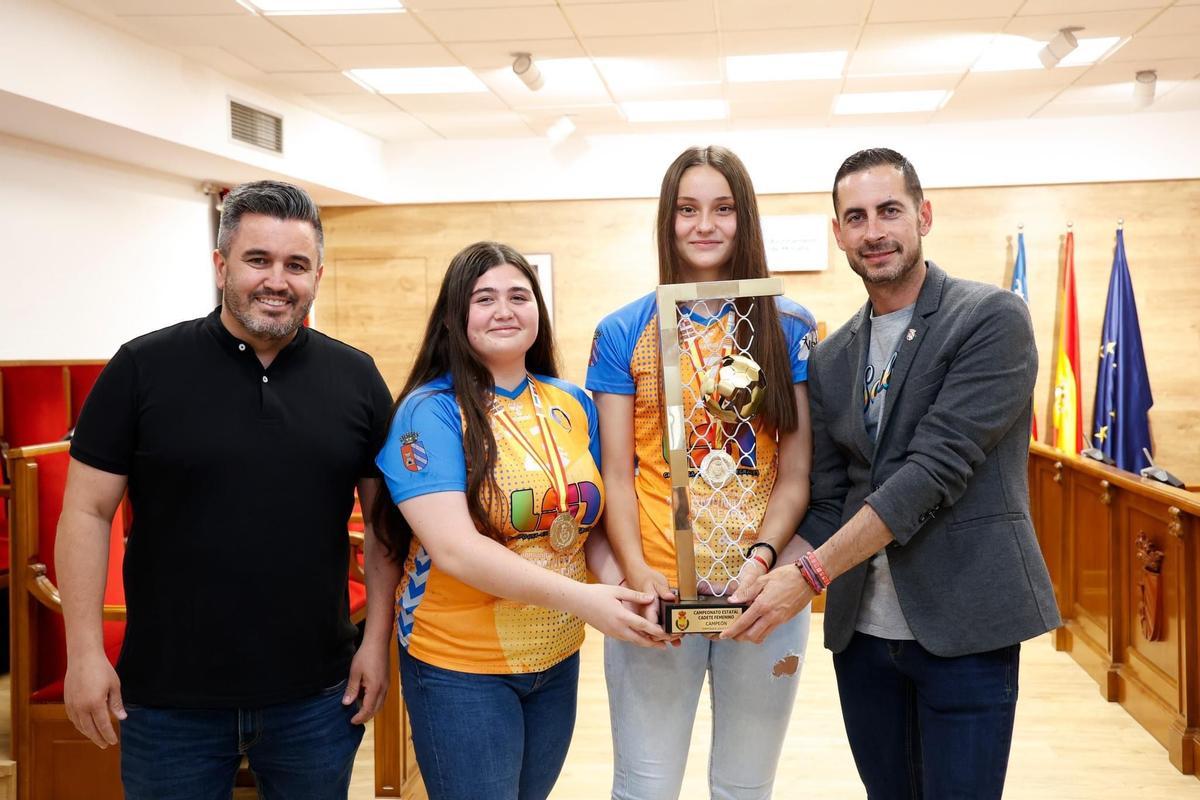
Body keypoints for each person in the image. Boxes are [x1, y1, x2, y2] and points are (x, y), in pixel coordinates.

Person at [724, 148, 1061, 799]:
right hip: (864, 640)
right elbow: (829, 500)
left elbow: (934, 471)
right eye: (856, 217)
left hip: (963, 628)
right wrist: (757, 571)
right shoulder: (831, 356)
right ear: (838, 233)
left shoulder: (990, 319)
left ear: (923, 216)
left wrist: (811, 575)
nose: (873, 231)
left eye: (889, 211)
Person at [57, 180, 396, 799]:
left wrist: (376, 642)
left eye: (296, 265)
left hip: (317, 697)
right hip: (167, 701)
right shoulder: (141, 368)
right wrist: (83, 651)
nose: (277, 280)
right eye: (257, 260)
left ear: (317, 275)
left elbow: (382, 527)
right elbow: (85, 510)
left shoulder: (357, 378)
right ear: (221, 267)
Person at [374, 241, 664, 800]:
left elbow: (590, 530)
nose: (504, 309)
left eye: (518, 295)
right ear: (457, 316)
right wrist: (588, 602)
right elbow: (456, 549)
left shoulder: (573, 403)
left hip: (555, 655)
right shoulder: (428, 411)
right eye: (484, 298)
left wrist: (623, 591)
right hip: (459, 664)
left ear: (538, 311)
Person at [587, 145, 818, 799]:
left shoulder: (789, 324)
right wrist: (638, 576)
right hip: (656, 595)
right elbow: (617, 472)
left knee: (745, 787)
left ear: (745, 218)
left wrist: (763, 561)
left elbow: (796, 473)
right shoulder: (623, 330)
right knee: (645, 785)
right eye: (688, 209)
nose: (705, 225)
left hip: (761, 595)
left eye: (723, 208)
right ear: (668, 220)